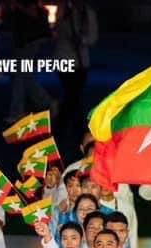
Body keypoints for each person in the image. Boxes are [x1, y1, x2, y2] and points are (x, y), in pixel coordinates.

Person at [53, 0, 98, 144]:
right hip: (64, 60)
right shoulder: (64, 11)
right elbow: (57, 32)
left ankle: (63, 128)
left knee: (73, 97)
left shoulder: (88, 13)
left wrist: (82, 40)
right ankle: (75, 130)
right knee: (72, 96)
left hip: (81, 62)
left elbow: (93, 37)